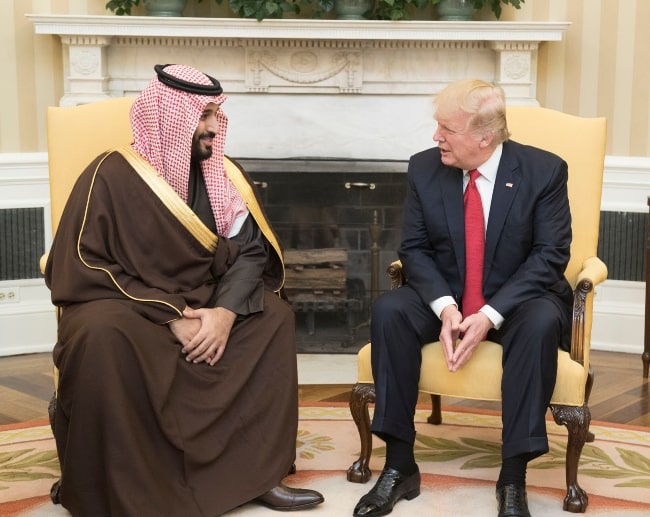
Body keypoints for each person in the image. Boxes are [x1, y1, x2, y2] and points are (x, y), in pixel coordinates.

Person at [45, 64, 324, 516]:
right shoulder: (109, 175)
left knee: (274, 319)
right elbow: (81, 262)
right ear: (169, 115)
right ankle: (107, 480)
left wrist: (224, 314)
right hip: (129, 306)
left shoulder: (224, 177)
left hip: (208, 303)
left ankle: (254, 475)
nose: (214, 126)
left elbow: (252, 251)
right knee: (100, 336)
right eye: (204, 115)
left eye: (216, 113)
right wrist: (171, 314)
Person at [352, 79, 573, 517]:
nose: (436, 137)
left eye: (446, 129)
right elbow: (413, 249)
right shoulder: (424, 168)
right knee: (390, 310)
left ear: (483, 137)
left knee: (541, 322)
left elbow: (550, 256)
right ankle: (399, 466)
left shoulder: (544, 171)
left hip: (519, 298)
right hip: (447, 294)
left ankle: (513, 478)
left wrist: (489, 314)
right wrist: (446, 307)